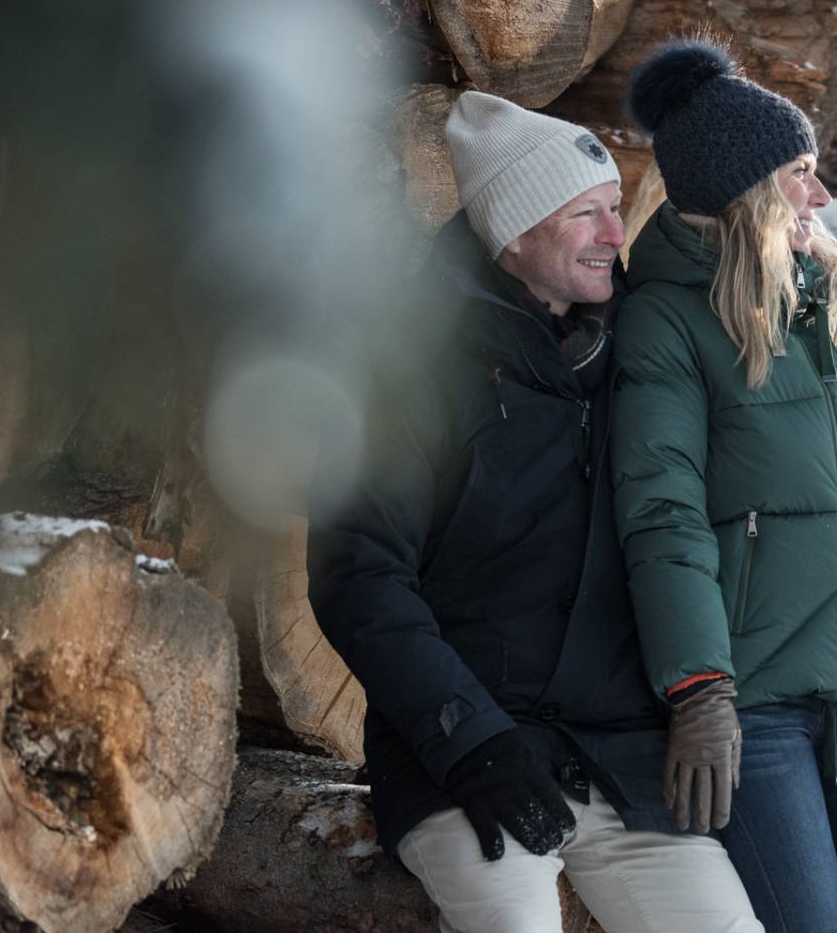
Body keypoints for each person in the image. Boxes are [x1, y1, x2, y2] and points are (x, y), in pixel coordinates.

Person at [309, 91, 761, 933]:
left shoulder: (639, 355)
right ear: (513, 232)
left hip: (625, 765)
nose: (617, 236)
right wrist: (471, 742)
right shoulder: (409, 366)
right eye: (587, 215)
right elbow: (359, 574)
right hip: (465, 758)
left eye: (616, 211)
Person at [609, 42, 837, 933]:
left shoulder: (821, 324)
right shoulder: (666, 323)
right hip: (753, 712)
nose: (819, 195)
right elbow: (663, 514)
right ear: (744, 190)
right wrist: (700, 693)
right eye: (798, 174)